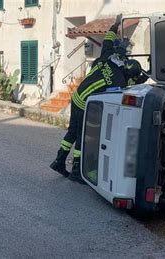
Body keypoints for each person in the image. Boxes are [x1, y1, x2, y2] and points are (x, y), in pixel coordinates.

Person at [49, 15, 144, 184]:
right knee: (83, 136)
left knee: (72, 131)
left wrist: (115, 26)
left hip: (77, 96)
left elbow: (108, 39)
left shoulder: (107, 56)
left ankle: (59, 160)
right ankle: (77, 171)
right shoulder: (120, 82)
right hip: (86, 104)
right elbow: (129, 86)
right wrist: (141, 79)